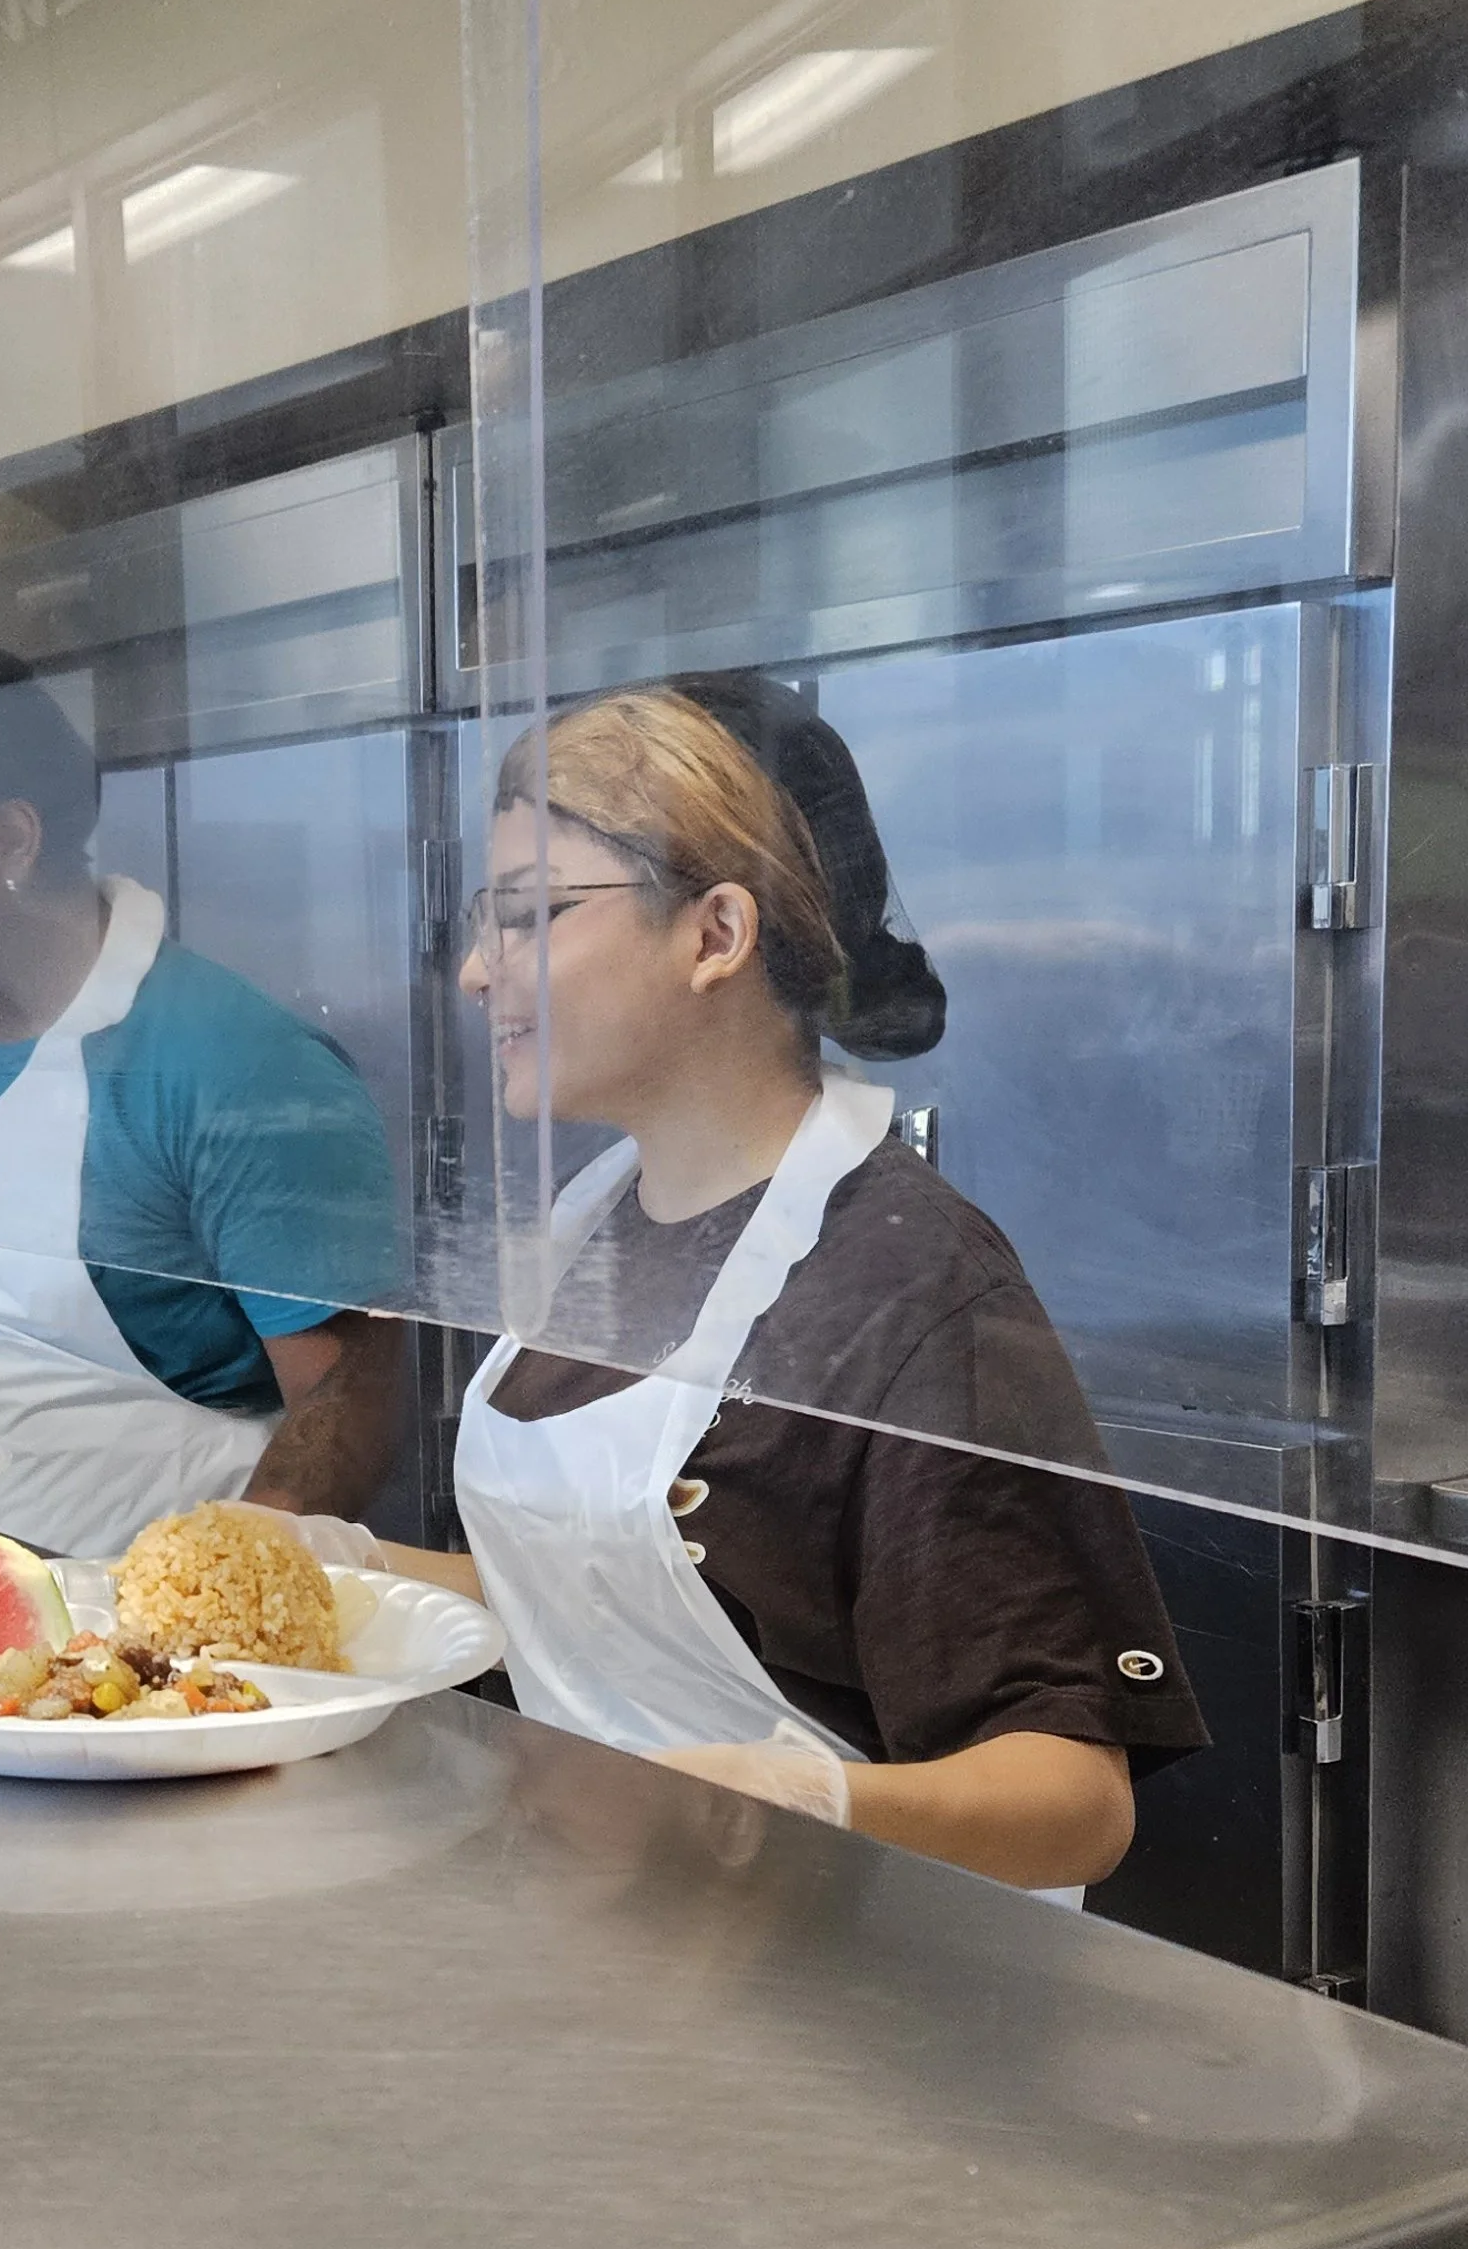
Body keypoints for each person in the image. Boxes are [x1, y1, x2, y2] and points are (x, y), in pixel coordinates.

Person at [416, 681, 1206, 1883]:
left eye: (530, 914)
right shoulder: (594, 1227)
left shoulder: (907, 1287)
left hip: (842, 1981)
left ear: (716, 935)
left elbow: (1073, 1798)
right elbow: (631, 1589)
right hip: (625, 1930)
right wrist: (349, 1573)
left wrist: (799, 1797)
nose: (479, 971)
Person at [0, 623, 403, 1553]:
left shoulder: (231, 1064)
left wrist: (226, 1586)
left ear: (10, 839)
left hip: (140, 1647)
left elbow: (353, 1391)